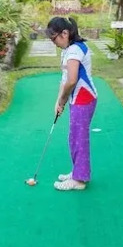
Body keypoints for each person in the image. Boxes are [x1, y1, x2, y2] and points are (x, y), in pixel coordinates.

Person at [47, 16, 97, 191]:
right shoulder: (68, 50)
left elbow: (72, 80)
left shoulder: (75, 50)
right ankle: (77, 171)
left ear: (65, 33)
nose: (53, 43)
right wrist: (58, 102)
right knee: (74, 137)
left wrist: (62, 99)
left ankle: (79, 179)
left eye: (54, 38)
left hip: (84, 98)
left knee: (79, 138)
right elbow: (64, 79)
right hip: (78, 99)